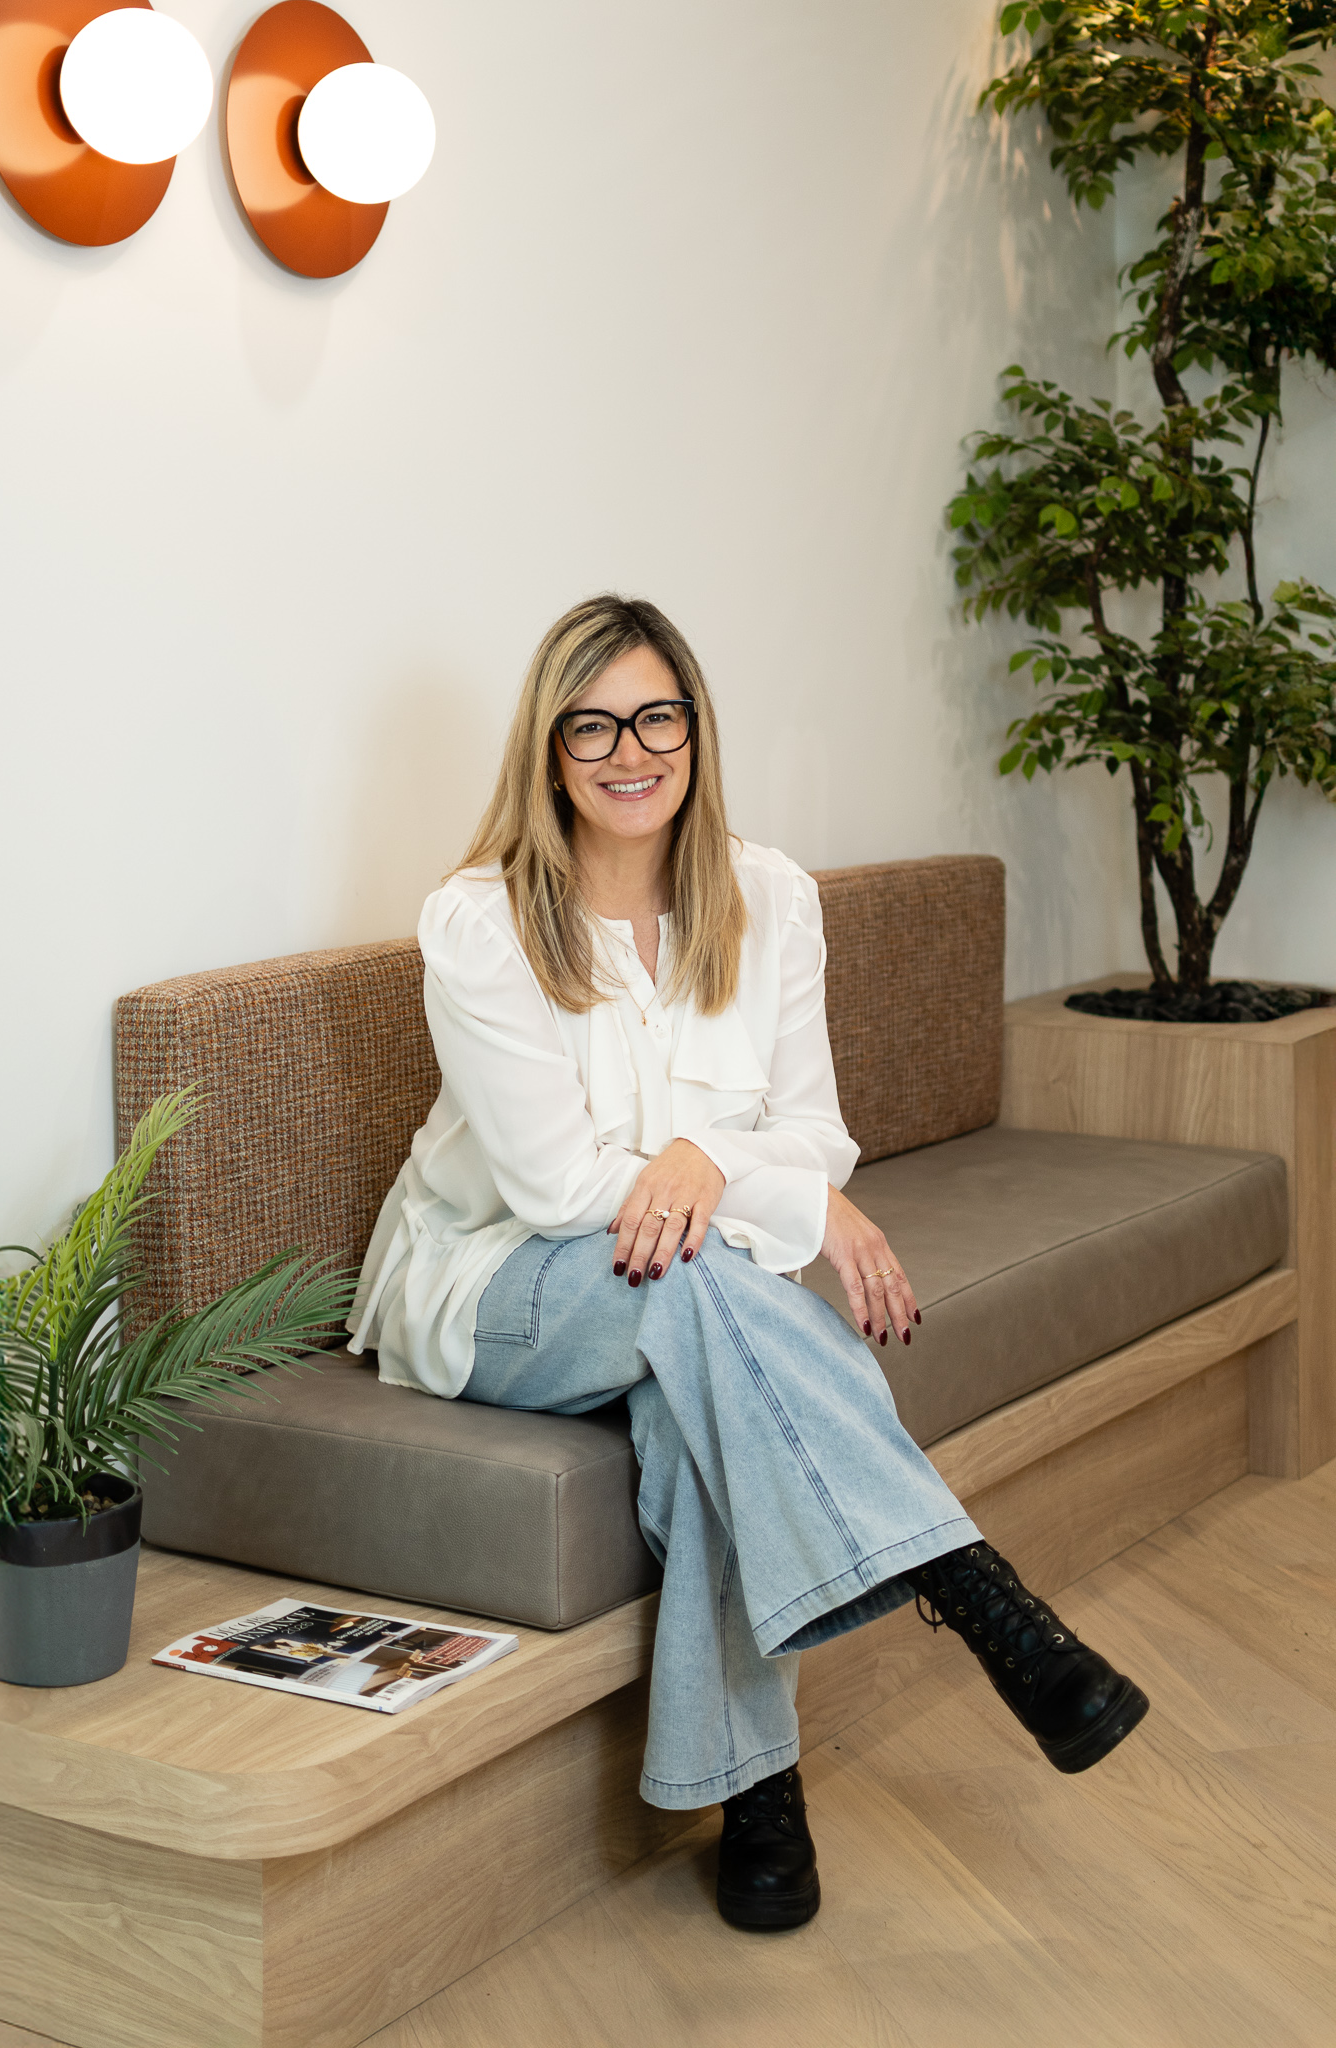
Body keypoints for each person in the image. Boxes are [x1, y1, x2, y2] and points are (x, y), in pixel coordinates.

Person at [348, 594, 1148, 1931]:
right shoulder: (479, 923)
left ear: (696, 730)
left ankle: (756, 1796)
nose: (629, 752)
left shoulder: (768, 898)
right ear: (549, 750)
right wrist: (792, 1202)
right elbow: (556, 1191)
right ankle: (974, 1591)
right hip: (496, 1289)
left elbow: (814, 1129)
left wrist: (715, 1164)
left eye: (655, 718)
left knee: (695, 1385)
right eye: (592, 726)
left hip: (677, 1295)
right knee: (704, 1291)